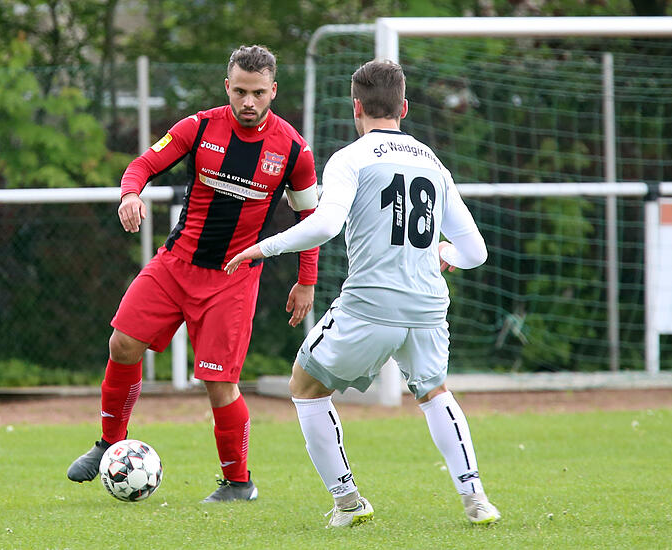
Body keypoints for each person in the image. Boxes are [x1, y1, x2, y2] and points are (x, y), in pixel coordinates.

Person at [224, 59, 500, 527]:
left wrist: (262, 249)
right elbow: (475, 251)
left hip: (371, 304)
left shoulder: (350, 158)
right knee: (434, 393)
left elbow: (326, 225)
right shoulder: (432, 162)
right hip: (429, 307)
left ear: (357, 107)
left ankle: (348, 501)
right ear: (404, 107)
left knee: (305, 386)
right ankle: (477, 500)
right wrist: (440, 255)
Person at [67, 45, 320, 503]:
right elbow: (141, 165)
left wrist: (307, 281)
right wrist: (130, 194)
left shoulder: (293, 150)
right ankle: (108, 442)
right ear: (227, 86)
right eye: (240, 91)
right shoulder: (199, 127)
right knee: (122, 343)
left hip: (233, 276)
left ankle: (238, 483)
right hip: (175, 263)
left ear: (273, 92)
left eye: (258, 93)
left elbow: (311, 221)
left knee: (219, 383)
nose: (248, 101)